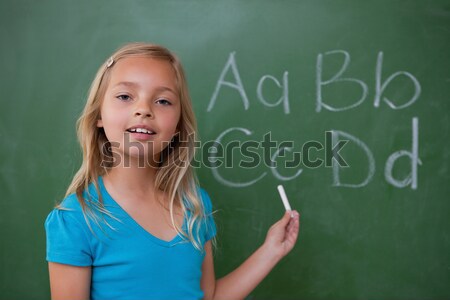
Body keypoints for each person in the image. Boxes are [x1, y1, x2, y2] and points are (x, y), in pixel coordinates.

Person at [45, 42, 300, 300]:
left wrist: (271, 251)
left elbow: (209, 296)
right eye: (125, 96)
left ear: (178, 126)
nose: (143, 109)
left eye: (163, 100)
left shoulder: (195, 204)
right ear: (99, 115)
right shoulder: (76, 219)